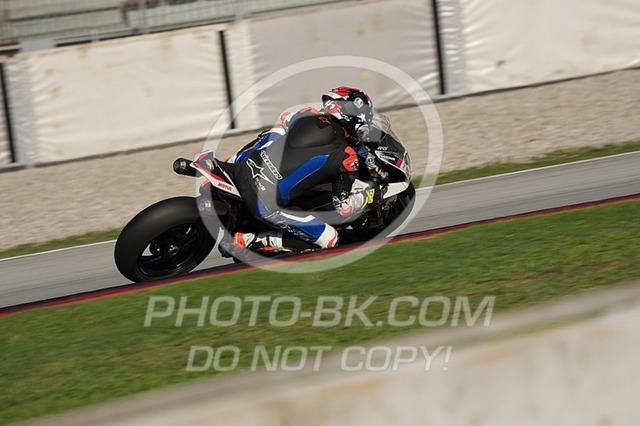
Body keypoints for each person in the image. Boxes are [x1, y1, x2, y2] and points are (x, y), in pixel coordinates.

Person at [222, 86, 384, 256]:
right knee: (330, 239)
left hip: (243, 166)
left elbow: (286, 117)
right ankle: (249, 240)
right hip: (263, 201)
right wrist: (368, 195)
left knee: (278, 131)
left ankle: (232, 159)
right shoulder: (348, 158)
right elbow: (343, 208)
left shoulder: (307, 113)